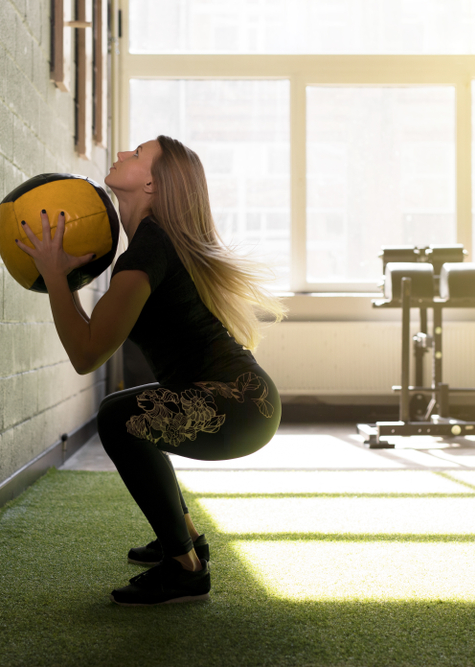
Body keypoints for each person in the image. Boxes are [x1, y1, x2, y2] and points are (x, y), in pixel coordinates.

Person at [15, 135, 285, 606]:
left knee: (120, 418)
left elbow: (85, 354)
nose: (122, 154)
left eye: (136, 155)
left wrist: (54, 275)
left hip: (241, 408)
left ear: (152, 184)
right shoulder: (151, 244)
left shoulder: (149, 249)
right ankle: (186, 539)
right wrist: (59, 276)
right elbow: (92, 340)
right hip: (245, 403)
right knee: (136, 413)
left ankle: (185, 570)